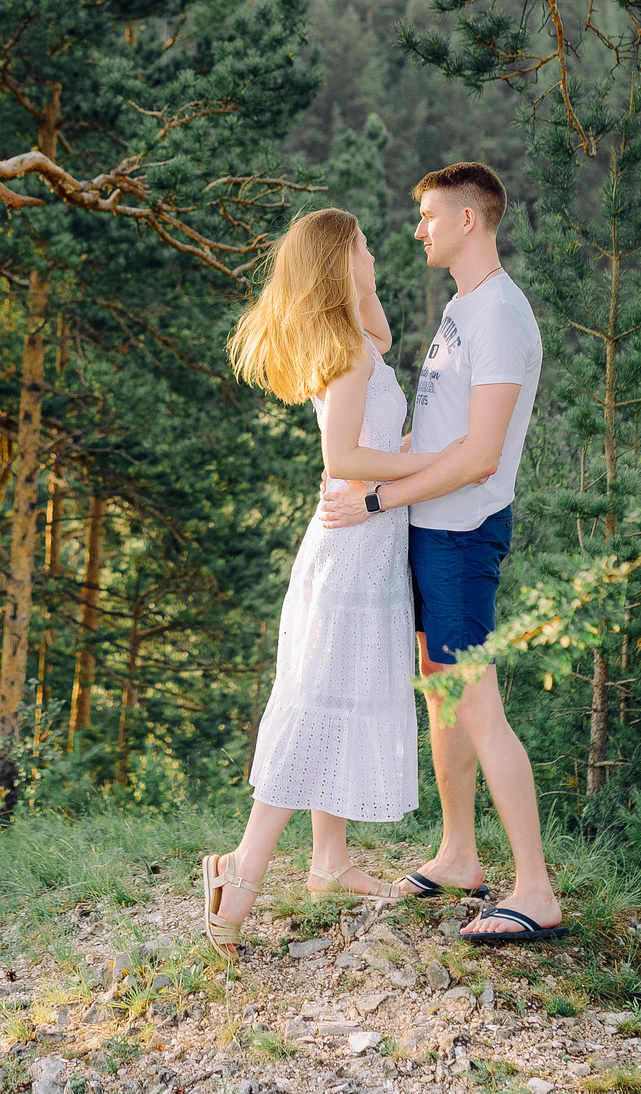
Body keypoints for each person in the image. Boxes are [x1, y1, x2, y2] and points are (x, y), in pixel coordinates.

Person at [317, 161, 565, 944]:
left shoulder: (499, 316)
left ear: (468, 221)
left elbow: (481, 454)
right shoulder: (464, 307)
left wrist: (377, 498)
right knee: (444, 699)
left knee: (479, 706)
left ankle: (535, 888)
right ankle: (459, 853)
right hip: (433, 529)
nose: (416, 229)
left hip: (459, 537)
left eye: (427, 216)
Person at [200, 208, 452, 952]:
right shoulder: (345, 354)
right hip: (349, 548)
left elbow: (379, 335)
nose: (378, 253)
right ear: (342, 260)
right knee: (315, 701)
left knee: (339, 694)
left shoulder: (360, 340)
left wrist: (357, 281)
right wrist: (434, 464)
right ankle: (239, 868)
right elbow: (343, 459)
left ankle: (330, 861)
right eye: (364, 247)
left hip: (369, 546)